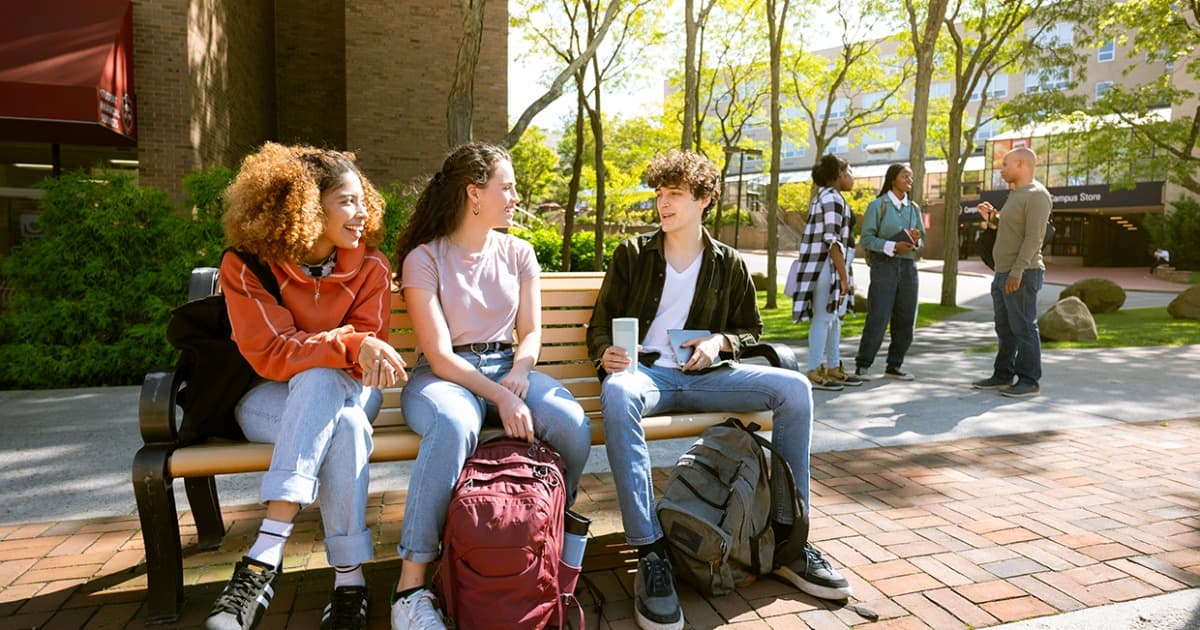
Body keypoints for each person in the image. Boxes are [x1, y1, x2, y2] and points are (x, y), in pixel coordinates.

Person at [588, 150, 852, 630]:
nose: (662, 204)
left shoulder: (728, 263)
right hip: (647, 377)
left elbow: (751, 330)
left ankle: (790, 539)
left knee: (794, 388)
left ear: (704, 199)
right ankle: (650, 553)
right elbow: (599, 327)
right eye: (659, 194)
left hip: (707, 378)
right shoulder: (632, 254)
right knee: (619, 393)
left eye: (675, 195)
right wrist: (606, 352)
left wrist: (720, 341)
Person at [389, 142, 591, 630]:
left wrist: (519, 373)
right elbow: (437, 355)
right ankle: (410, 586)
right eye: (508, 187)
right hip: (444, 376)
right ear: (474, 194)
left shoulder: (519, 252)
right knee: (455, 422)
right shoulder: (425, 258)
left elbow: (532, 332)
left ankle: (546, 535)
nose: (516, 197)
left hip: (508, 366)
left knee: (570, 423)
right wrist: (499, 395)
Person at [205, 143, 404, 630]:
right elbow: (273, 353)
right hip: (265, 399)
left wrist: (343, 350)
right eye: (348, 201)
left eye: (364, 200)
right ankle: (350, 580)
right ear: (308, 207)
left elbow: (364, 367)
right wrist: (350, 344)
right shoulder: (248, 265)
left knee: (324, 381)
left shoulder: (371, 267)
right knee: (347, 426)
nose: (364, 213)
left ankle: (264, 555)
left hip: (354, 388)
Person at [971, 147, 1052, 398]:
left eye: (1005, 164)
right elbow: (1012, 230)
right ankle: (1003, 374)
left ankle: (1029, 380)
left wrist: (1017, 272)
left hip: (1023, 272)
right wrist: (993, 218)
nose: (1001, 169)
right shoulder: (1015, 195)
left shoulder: (1037, 195)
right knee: (1005, 328)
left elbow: (1033, 238)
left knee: (1024, 327)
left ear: (1021, 164)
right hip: (1003, 272)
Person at [788, 154, 860, 390]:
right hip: (825, 267)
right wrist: (843, 276)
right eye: (849, 172)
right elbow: (832, 240)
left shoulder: (828, 197)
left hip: (827, 266)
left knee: (833, 319)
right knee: (823, 317)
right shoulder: (832, 199)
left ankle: (832, 367)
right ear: (838, 174)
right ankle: (814, 370)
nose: (852, 177)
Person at [854, 163, 925, 381]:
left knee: (906, 319)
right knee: (878, 316)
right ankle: (863, 365)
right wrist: (893, 246)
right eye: (905, 176)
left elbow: (922, 241)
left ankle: (895, 366)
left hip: (908, 268)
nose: (909, 181)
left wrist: (916, 242)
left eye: (911, 177)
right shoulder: (878, 206)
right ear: (893, 179)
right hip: (884, 266)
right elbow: (866, 239)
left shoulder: (914, 209)